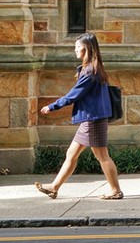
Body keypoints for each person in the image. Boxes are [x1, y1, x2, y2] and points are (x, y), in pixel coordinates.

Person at [35, 33, 124, 200]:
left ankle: (115, 190)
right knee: (72, 154)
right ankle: (54, 188)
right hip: (91, 119)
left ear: (87, 49)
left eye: (78, 47)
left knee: (102, 156)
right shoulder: (92, 68)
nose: (75, 50)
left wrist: (52, 106)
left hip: (93, 119)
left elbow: (74, 95)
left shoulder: (91, 71)